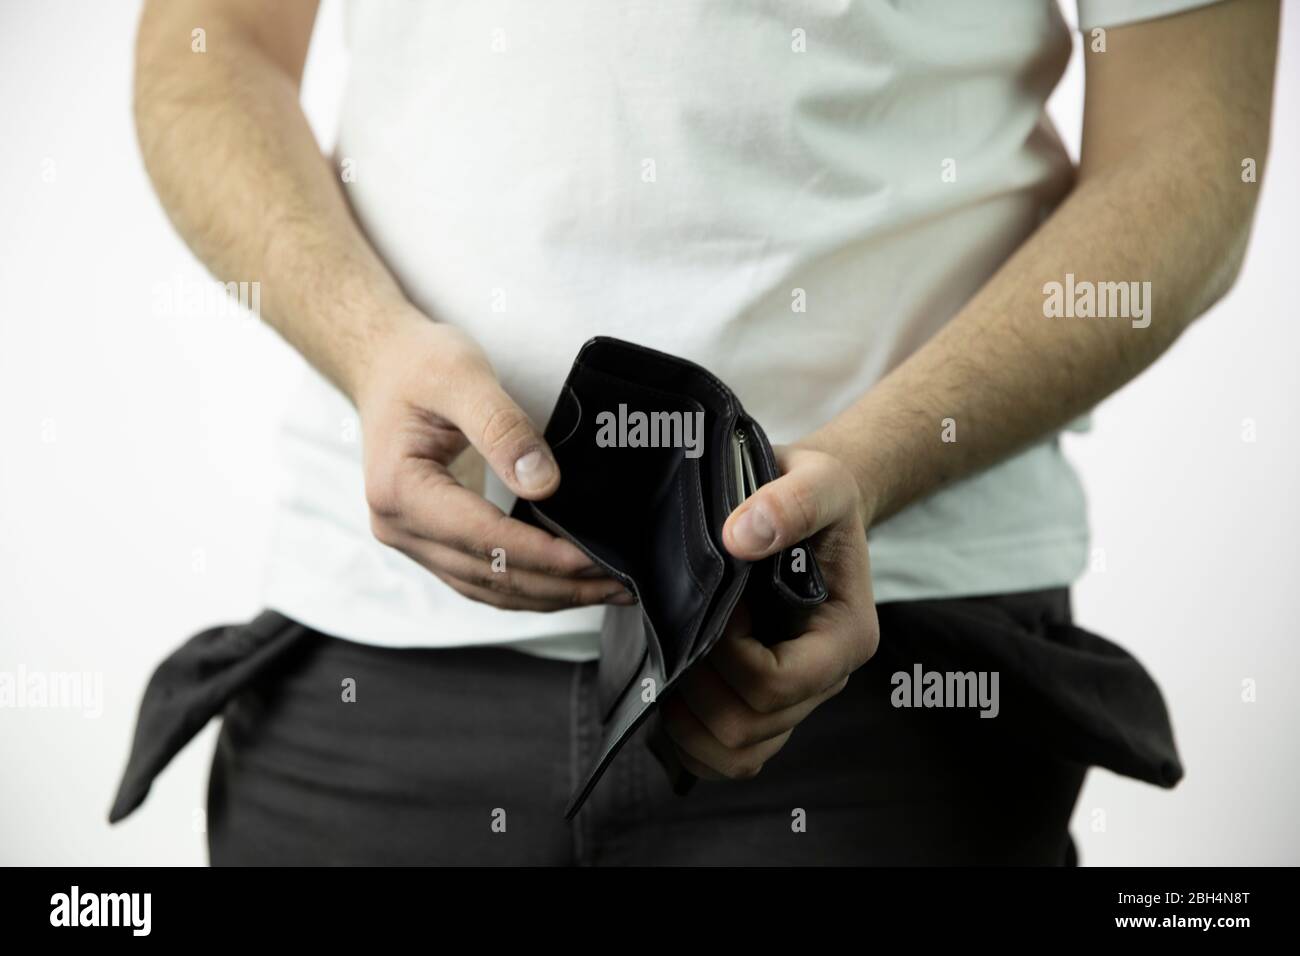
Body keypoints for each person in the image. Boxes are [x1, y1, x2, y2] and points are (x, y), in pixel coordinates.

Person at [112, 0, 1277, 865]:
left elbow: (1185, 160)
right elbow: (209, 49)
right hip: (369, 663)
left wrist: (867, 464)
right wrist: (367, 343)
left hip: (875, 669)